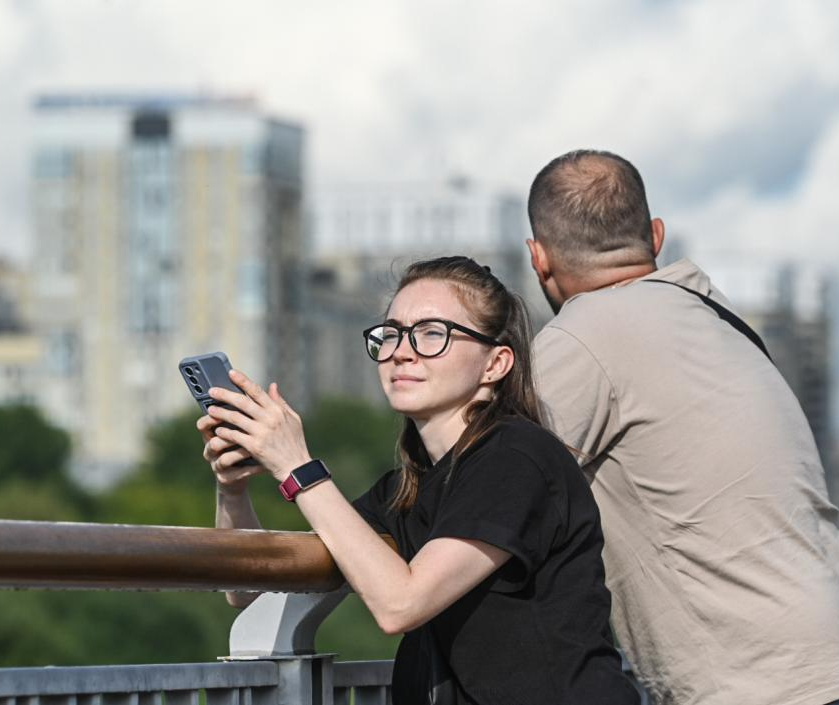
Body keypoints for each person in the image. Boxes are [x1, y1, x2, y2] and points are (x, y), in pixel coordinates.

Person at [525, 149, 839, 705]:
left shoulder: (579, 336)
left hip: (759, 688)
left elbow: (505, 488)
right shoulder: (719, 316)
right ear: (656, 236)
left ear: (538, 257)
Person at [199, 256, 639, 705]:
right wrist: (232, 489)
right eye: (391, 334)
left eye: (433, 333)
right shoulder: (408, 486)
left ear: (495, 364)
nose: (401, 351)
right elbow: (247, 592)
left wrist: (298, 466)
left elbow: (401, 604)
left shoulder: (516, 457)